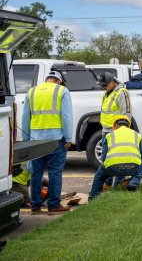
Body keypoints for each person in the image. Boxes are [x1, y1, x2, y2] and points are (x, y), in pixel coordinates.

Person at [22, 71, 74, 214]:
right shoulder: (62, 90)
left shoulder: (31, 91)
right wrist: (69, 138)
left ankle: (35, 206)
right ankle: (53, 205)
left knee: (36, 173)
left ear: (46, 80)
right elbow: (66, 115)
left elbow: (25, 117)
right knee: (55, 172)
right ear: (59, 81)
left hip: (35, 139)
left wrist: (26, 139)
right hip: (55, 138)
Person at [88, 115, 142, 200]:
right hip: (133, 167)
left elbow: (103, 157)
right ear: (129, 125)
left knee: (99, 175)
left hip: (112, 167)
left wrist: (107, 167)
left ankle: (92, 198)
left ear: (115, 125)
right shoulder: (136, 135)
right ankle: (133, 183)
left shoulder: (109, 135)